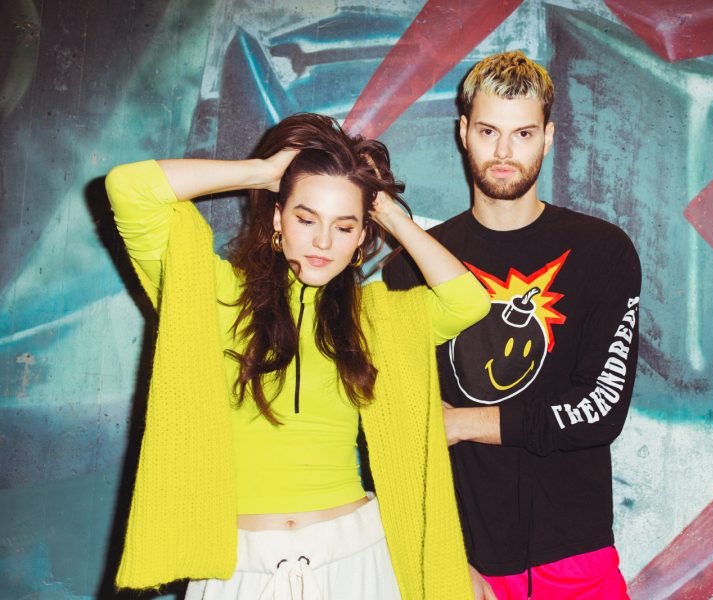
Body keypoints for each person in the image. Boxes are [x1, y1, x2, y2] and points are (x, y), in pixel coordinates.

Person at [105, 113, 489, 599]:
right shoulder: (217, 295)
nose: (323, 241)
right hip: (240, 570)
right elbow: (129, 189)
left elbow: (467, 302)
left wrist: (387, 212)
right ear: (277, 219)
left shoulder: (373, 319)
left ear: (360, 238)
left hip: (358, 561)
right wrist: (263, 172)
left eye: (344, 226)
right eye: (306, 219)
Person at [384, 51, 641, 599]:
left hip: (576, 559)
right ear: (463, 133)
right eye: (488, 132)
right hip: (463, 564)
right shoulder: (412, 268)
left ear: (547, 138)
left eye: (522, 133)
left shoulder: (603, 252)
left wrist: (462, 423)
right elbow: (404, 434)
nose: (504, 153)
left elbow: (600, 409)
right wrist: (445, 558)